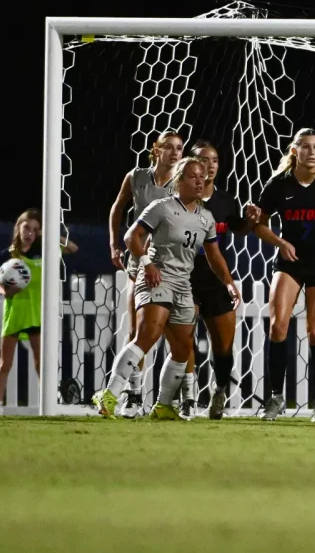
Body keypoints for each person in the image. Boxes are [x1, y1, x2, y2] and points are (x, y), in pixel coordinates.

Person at [94, 158, 239, 419]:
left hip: (184, 283)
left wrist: (228, 282)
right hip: (157, 278)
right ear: (179, 181)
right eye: (193, 176)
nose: (199, 181)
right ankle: (109, 395)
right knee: (148, 334)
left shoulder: (206, 217)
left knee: (183, 347)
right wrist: (147, 264)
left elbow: (214, 256)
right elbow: (131, 237)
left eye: (202, 177)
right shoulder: (161, 207)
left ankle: (163, 405)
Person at [249, 128, 315, 422]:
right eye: (306, 147)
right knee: (278, 327)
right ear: (295, 151)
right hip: (289, 262)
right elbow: (259, 224)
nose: (312, 152)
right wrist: (281, 242)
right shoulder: (279, 184)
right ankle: (275, 398)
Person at [106, 129, 182, 417]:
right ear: (156, 150)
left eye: (179, 148)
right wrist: (114, 243)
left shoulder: (181, 183)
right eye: (170, 147)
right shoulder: (136, 177)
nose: (175, 152)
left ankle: (177, 399)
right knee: (137, 329)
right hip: (139, 259)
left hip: (170, 262)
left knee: (176, 332)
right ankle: (134, 395)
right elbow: (117, 208)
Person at [187, 140, 255, 420]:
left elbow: (240, 230)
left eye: (214, 160)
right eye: (204, 159)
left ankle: (219, 392)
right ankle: (187, 398)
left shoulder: (225, 201)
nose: (210, 165)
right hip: (184, 279)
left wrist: (251, 220)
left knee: (223, 346)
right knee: (184, 341)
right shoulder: (177, 199)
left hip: (217, 280)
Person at [0, 209, 78, 415]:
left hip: (36, 312)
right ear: (18, 228)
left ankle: (50, 400)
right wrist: (6, 291)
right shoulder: (7, 255)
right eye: (26, 228)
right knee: (5, 362)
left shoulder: (45, 251)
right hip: (15, 312)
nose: (30, 233)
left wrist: (48, 233)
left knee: (41, 361)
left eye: (35, 230)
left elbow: (73, 248)